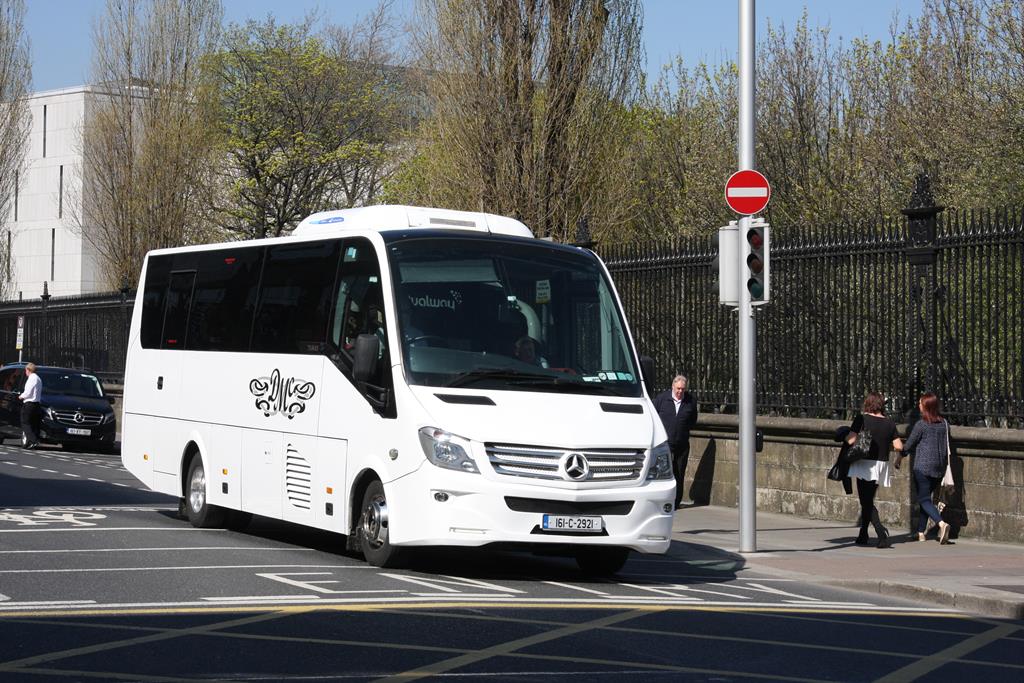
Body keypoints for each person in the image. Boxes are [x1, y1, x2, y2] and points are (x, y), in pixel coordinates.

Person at [846, 391, 902, 548]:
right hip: (881, 464)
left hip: (864, 462)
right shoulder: (890, 423)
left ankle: (880, 532)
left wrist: (848, 435)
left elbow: (850, 439)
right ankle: (863, 534)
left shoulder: (862, 419)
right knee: (868, 499)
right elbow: (898, 445)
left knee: (865, 501)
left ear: (868, 404)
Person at [897, 392, 952, 544]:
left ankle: (942, 524)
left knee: (923, 499)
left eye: (921, 403)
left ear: (926, 406)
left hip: (922, 466)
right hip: (938, 467)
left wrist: (900, 456)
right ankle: (920, 532)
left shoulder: (921, 425)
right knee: (925, 498)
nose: (918, 405)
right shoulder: (944, 424)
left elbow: (909, 444)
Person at [653, 375, 698, 508]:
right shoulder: (662, 399)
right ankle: (660, 500)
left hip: (681, 443)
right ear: (673, 387)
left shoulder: (690, 401)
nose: (680, 391)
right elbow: (654, 416)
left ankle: (676, 502)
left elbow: (692, 420)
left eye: (682, 389)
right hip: (664, 443)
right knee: (661, 472)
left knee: (679, 472)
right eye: (678, 388)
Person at [18, 362, 42, 449]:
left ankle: (34, 440)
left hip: (29, 404)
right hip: (36, 404)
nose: (25, 372)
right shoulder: (38, 378)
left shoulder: (32, 378)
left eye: (26, 370)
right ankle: (30, 442)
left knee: (25, 423)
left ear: (28, 370)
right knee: (33, 424)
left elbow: (28, 392)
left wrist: (21, 396)